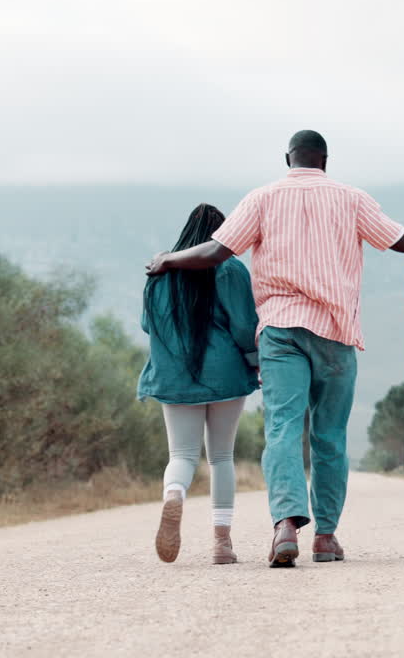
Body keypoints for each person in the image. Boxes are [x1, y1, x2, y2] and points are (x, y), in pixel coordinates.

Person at [145, 130, 404, 568]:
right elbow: (400, 240)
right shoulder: (351, 198)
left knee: (283, 428)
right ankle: (325, 537)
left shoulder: (261, 199)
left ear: (289, 158)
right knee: (329, 436)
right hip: (335, 332)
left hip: (281, 330)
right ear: (326, 160)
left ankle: (285, 525)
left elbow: (216, 250)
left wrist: (170, 258)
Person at [139, 203, 260, 565]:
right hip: (224, 372)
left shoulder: (161, 270)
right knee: (221, 457)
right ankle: (222, 543)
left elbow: (148, 325)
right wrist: (255, 363)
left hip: (174, 374)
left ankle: (174, 496)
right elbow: (243, 326)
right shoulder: (229, 268)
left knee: (182, 455)